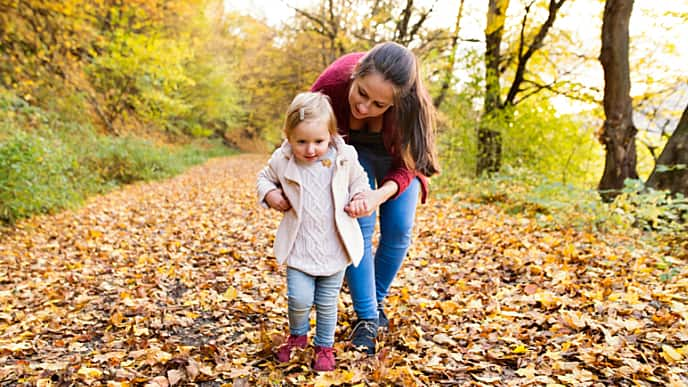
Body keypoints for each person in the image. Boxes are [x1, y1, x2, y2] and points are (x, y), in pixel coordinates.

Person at [310, 41, 440, 355]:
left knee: (399, 230)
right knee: (360, 224)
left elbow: (409, 164)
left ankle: (375, 300)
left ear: (397, 102)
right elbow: (303, 128)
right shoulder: (330, 87)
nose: (365, 107)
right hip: (355, 156)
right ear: (355, 74)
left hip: (398, 163)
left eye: (379, 105)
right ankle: (367, 318)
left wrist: (379, 195)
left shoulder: (412, 109)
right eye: (362, 93)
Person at [256, 91, 371, 371]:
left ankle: (324, 346)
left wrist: (360, 197)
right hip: (300, 245)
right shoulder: (283, 160)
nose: (310, 150)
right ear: (288, 136)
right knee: (299, 297)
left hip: (334, 246)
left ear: (331, 135)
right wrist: (271, 194)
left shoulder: (344, 157)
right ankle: (297, 337)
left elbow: (360, 182)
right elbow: (264, 178)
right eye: (301, 142)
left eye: (318, 141)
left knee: (327, 302)